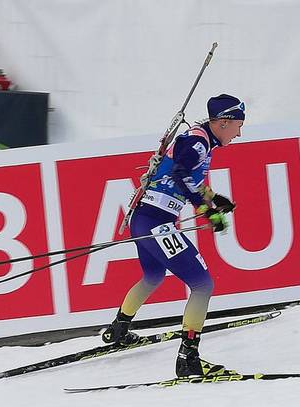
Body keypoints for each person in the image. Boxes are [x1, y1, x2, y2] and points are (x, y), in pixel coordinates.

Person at [102, 94, 245, 377]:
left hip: (146, 220)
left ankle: (119, 329)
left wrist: (216, 199)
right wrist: (207, 211)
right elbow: (181, 174)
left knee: (152, 276)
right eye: (238, 125)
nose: (240, 133)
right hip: (156, 223)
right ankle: (188, 358)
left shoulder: (202, 141)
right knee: (203, 285)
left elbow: (188, 179)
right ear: (224, 122)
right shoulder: (197, 143)